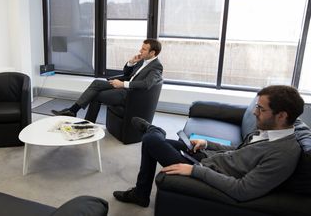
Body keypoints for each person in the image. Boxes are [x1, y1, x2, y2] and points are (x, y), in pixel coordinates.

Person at [113, 85, 304, 207]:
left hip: (204, 171)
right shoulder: (266, 130)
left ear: (282, 116)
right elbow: (240, 152)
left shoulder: (283, 154)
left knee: (151, 140)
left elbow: (242, 190)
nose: (254, 112)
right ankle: (141, 193)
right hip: (207, 159)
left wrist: (194, 171)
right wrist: (207, 144)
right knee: (158, 143)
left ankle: (154, 131)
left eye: (261, 109)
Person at [51, 38, 163, 122]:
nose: (140, 50)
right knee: (96, 83)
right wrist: (131, 62)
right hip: (125, 87)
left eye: (144, 49)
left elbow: (146, 84)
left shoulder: (156, 66)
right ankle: (72, 111)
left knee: (95, 95)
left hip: (130, 94)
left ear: (152, 52)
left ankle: (85, 122)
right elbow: (127, 73)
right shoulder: (142, 60)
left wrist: (122, 84)